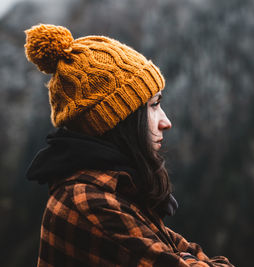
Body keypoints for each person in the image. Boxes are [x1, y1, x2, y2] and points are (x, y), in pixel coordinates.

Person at [25, 24, 234, 267]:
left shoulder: (118, 191)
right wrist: (185, 258)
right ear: (117, 120)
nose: (166, 122)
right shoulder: (91, 204)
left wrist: (183, 256)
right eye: (153, 105)